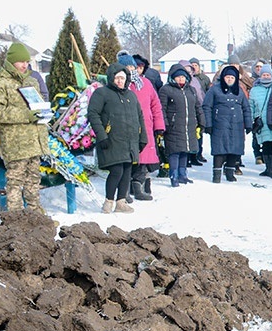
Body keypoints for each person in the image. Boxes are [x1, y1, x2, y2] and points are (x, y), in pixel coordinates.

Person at [0, 43, 49, 213]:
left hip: (34, 140)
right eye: (21, 62)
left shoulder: (31, 81)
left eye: (27, 62)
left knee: (33, 180)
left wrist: (44, 113)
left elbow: (37, 106)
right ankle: (15, 221)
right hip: (16, 143)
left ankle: (36, 217)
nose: (25, 65)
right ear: (11, 62)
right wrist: (26, 115)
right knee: (15, 181)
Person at [88, 64, 148, 213]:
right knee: (116, 171)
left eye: (123, 78)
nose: (120, 81)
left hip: (130, 140)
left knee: (127, 171)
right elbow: (93, 114)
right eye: (117, 78)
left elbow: (140, 117)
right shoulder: (102, 93)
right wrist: (102, 136)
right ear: (111, 78)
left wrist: (143, 138)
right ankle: (108, 201)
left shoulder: (131, 95)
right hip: (111, 139)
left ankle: (121, 202)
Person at [117, 53, 164, 202]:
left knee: (143, 158)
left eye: (133, 66)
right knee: (127, 159)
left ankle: (138, 187)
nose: (131, 69)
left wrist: (159, 125)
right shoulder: (119, 85)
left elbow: (155, 105)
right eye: (127, 67)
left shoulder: (146, 84)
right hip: (126, 127)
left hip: (146, 126)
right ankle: (124, 190)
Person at [203, 64, 251, 183]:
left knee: (235, 149)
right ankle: (217, 174)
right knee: (219, 150)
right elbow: (206, 107)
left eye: (232, 78)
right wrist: (208, 124)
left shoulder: (239, 91)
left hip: (237, 124)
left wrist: (248, 123)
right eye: (227, 77)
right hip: (220, 124)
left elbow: (246, 108)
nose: (229, 79)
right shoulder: (214, 89)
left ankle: (230, 172)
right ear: (223, 77)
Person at [159, 63, 205, 187]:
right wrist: (165, 124)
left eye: (183, 77)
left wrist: (201, 122)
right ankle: (173, 176)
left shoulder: (191, 90)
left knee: (185, 151)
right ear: (173, 78)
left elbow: (197, 107)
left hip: (189, 125)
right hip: (173, 126)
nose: (181, 79)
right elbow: (161, 109)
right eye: (178, 77)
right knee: (175, 152)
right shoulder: (166, 90)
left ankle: (183, 175)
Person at [250, 65, 272, 177]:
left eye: (268, 75)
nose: (266, 77)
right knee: (265, 145)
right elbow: (250, 105)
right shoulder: (254, 89)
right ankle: (268, 168)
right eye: (263, 75)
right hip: (261, 122)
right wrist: (252, 119)